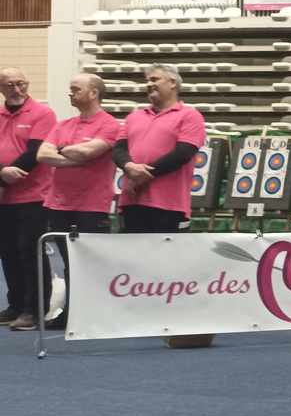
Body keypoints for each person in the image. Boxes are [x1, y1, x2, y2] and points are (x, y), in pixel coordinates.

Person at [35, 73, 122, 331]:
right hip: (59, 203)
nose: (70, 93)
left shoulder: (109, 124)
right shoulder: (63, 124)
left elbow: (88, 151)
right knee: (69, 263)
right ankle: (73, 312)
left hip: (91, 206)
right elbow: (42, 155)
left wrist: (61, 149)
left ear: (94, 93)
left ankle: (98, 314)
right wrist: (75, 158)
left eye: (76, 89)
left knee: (92, 264)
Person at [112, 64, 206, 234]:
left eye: (154, 79)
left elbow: (183, 153)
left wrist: (139, 177)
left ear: (172, 82)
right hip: (132, 201)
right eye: (147, 80)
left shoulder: (190, 116)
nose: (149, 84)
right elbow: (119, 150)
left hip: (168, 205)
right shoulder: (133, 117)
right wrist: (129, 166)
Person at [0, 66, 56, 331]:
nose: (17, 89)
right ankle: (16, 305)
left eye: (21, 83)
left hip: (34, 196)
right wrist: (1, 173)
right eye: (10, 84)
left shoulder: (42, 113)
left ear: (27, 83)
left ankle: (34, 310)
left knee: (30, 252)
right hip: (4, 198)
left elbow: (35, 152)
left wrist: (4, 177)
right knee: (8, 252)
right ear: (1, 88)